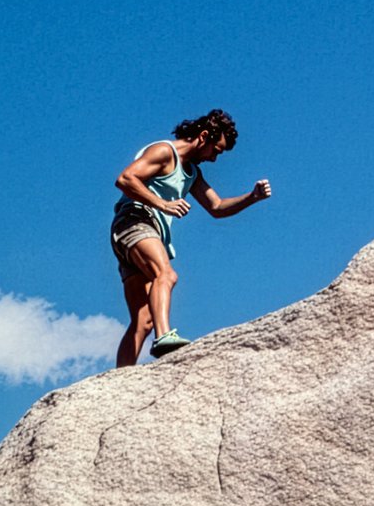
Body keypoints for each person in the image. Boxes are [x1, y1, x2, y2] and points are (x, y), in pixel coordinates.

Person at [111, 109, 272, 366]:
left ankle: (117, 380)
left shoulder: (192, 173)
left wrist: (252, 197)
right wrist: (163, 204)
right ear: (204, 136)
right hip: (136, 220)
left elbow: (217, 207)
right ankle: (165, 337)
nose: (215, 158)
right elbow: (126, 178)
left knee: (143, 320)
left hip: (134, 234)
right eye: (216, 150)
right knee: (166, 275)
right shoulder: (164, 152)